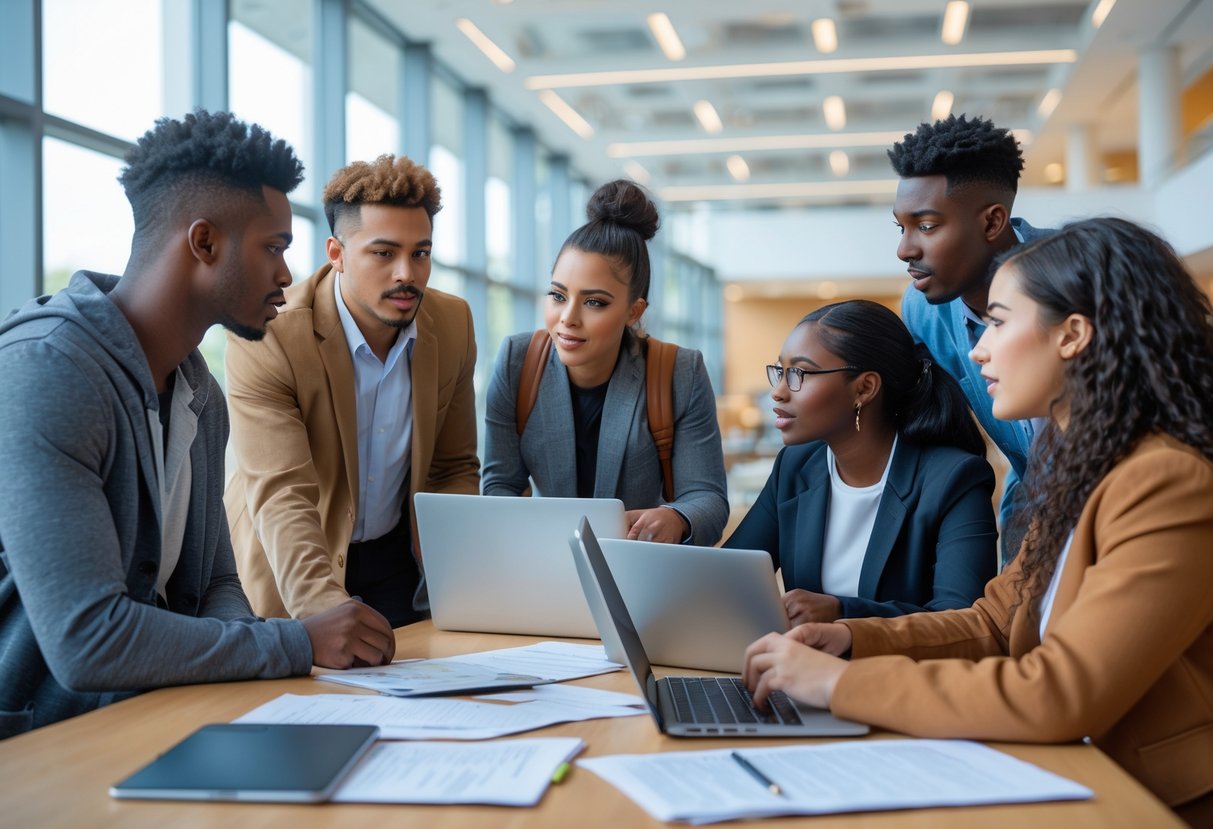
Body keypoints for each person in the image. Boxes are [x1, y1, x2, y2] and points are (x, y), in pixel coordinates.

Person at [742, 218, 1213, 827]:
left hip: (1146, 801)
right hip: (1062, 772)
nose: (977, 349)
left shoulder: (1165, 480)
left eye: (998, 322)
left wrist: (838, 685)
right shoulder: (1083, 466)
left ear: (1072, 335)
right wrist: (855, 639)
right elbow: (994, 621)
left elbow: (1058, 693)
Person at [0, 110, 395, 740]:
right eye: (274, 248)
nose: (287, 276)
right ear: (204, 243)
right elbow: (87, 640)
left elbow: (216, 581)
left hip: (154, 720)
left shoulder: (197, 390)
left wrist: (262, 646)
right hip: (42, 744)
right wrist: (294, 642)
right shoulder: (48, 372)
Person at [225, 155, 480, 628]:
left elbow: (453, 467)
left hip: (398, 562)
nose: (407, 272)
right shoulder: (270, 334)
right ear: (336, 253)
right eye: (384, 253)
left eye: (420, 253)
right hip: (293, 562)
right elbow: (282, 493)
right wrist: (325, 611)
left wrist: (459, 581)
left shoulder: (453, 324)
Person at [482, 179, 728, 545]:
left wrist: (676, 518)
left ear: (634, 311)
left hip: (642, 569)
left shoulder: (680, 372)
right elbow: (499, 485)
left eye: (594, 302)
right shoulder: (518, 362)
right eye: (557, 295)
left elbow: (707, 498)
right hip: (546, 567)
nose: (568, 317)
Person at [725, 300, 996, 625]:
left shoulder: (955, 479)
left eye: (798, 373)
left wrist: (842, 612)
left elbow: (962, 622)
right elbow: (727, 579)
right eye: (780, 371)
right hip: (805, 671)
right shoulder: (796, 467)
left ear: (865, 388)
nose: (779, 392)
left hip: (900, 674)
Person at [891, 114, 1053, 561]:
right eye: (900, 227)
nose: (904, 249)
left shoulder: (1084, 277)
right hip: (1031, 507)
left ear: (992, 222)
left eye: (925, 226)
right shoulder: (923, 310)